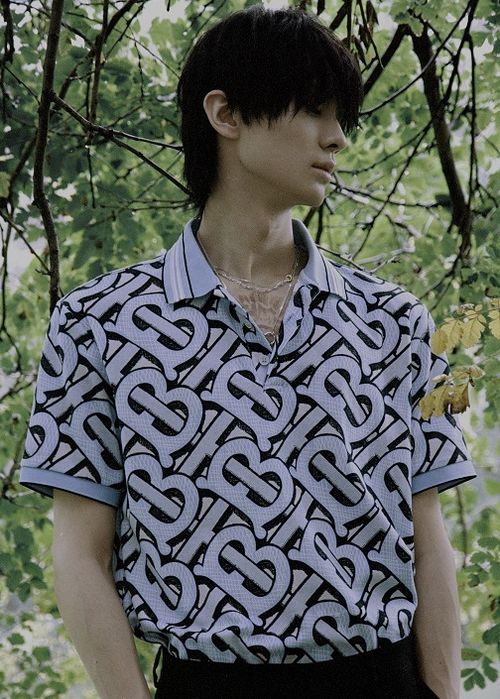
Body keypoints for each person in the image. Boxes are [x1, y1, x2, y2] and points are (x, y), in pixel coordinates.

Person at [19, 4, 478, 699]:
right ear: (225, 113)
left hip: (384, 678)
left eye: (341, 116)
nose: (337, 137)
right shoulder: (99, 323)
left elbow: (427, 532)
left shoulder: (394, 320)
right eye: (316, 110)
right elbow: (81, 554)